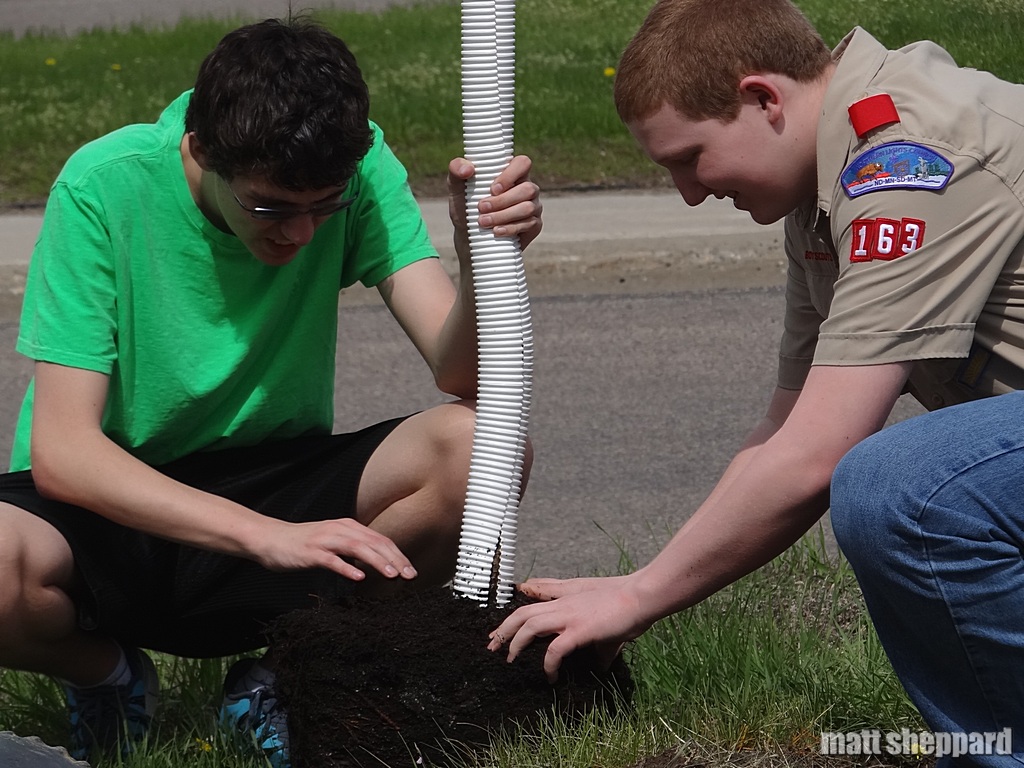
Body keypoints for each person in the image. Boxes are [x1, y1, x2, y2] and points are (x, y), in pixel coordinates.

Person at [489, 0, 1024, 763]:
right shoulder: (820, 191)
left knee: (905, 487)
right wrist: (639, 585)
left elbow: (816, 454)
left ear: (763, 98)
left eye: (690, 157)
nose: (688, 193)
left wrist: (639, 598)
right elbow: (785, 428)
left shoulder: (906, 160)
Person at [0, 17, 541, 767]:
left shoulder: (356, 168)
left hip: (270, 474)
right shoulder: (104, 185)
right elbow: (64, 453)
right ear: (200, 151)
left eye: (325, 206)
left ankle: (284, 675)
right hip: (115, 504)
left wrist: (477, 248)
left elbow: (460, 375)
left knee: (485, 446)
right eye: (272, 209)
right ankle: (108, 675)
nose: (303, 235)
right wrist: (265, 535)